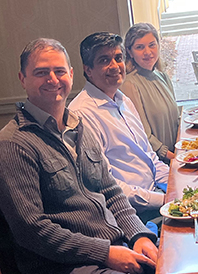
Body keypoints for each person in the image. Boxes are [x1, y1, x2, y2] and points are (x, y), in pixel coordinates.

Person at [0, 38, 198, 274]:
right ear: (23, 79)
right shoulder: (14, 146)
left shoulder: (77, 126)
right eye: (41, 72)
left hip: (114, 246)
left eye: (59, 71)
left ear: (72, 74)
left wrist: (138, 235)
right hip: (62, 273)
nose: (53, 79)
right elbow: (32, 230)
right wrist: (105, 253)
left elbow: (111, 191)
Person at [69, 32, 168, 223]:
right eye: (104, 60)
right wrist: (164, 200)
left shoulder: (124, 100)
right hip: (133, 215)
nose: (115, 66)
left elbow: (150, 156)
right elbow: (106, 184)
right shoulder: (82, 115)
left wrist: (173, 185)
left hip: (156, 195)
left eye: (118, 58)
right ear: (88, 70)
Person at [120, 23, 180, 163]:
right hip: (159, 164)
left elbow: (175, 120)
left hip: (176, 156)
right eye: (140, 47)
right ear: (130, 52)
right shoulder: (129, 84)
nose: (148, 52)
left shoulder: (162, 77)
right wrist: (174, 158)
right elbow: (143, 135)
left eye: (152, 45)